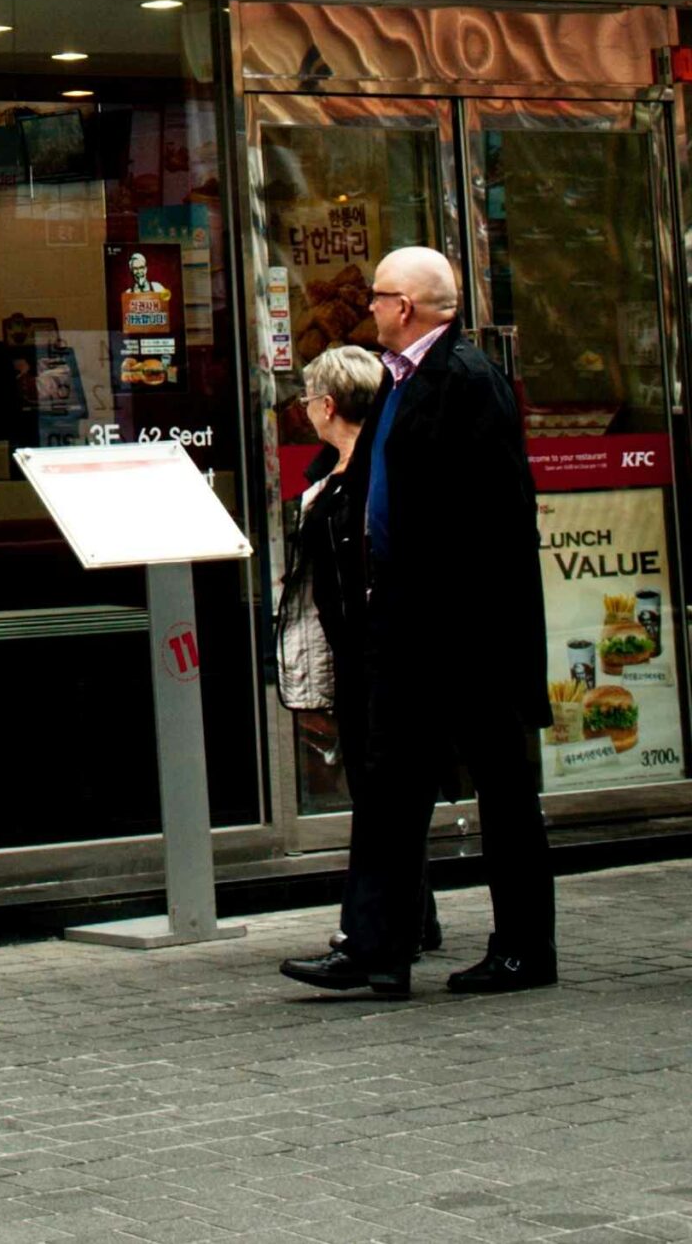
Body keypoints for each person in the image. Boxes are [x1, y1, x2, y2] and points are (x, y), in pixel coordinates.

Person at [287, 247, 554, 997]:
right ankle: (375, 945)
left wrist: (460, 614)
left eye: (376, 296)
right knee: (391, 785)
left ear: (403, 306)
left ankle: (523, 948)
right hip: (407, 625)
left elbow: (498, 517)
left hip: (464, 630)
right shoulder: (400, 382)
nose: (366, 307)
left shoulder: (465, 380)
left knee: (501, 786)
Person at [276, 345, 439, 996]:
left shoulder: (374, 473)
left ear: (328, 404)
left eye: (311, 395)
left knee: (382, 800)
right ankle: (407, 924)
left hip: (382, 656)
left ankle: (373, 944)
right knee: (382, 797)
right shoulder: (334, 473)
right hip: (353, 657)